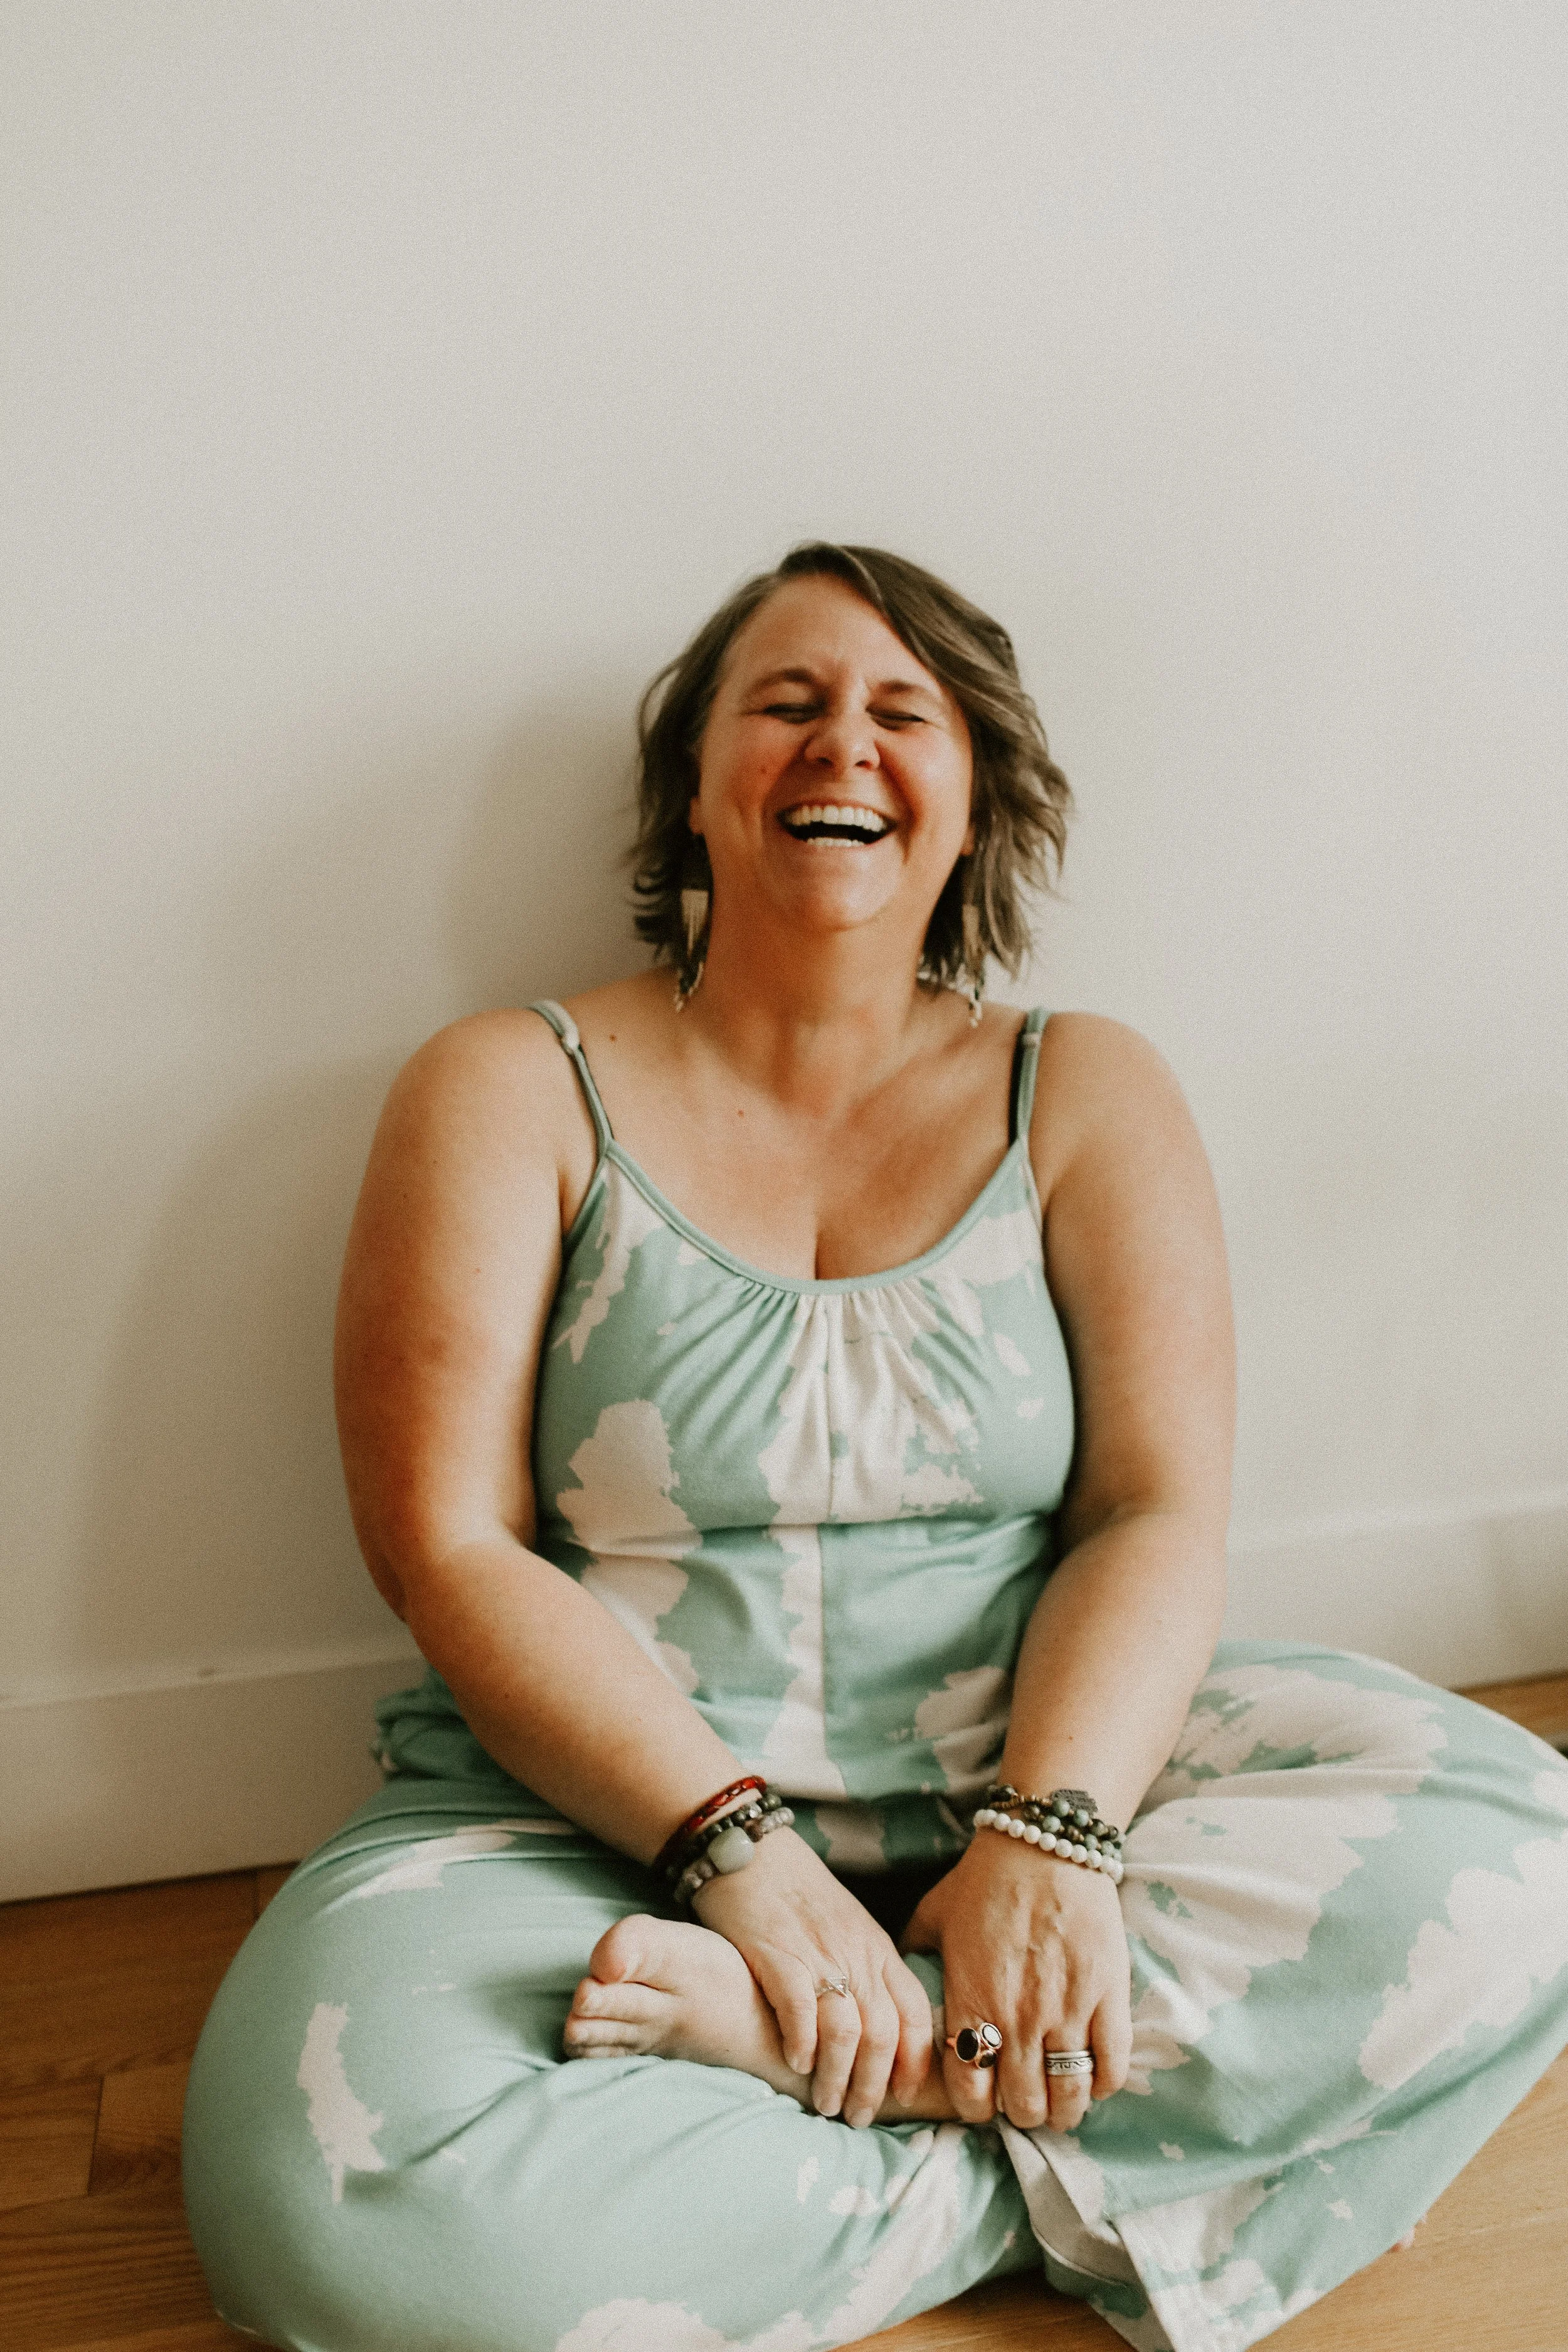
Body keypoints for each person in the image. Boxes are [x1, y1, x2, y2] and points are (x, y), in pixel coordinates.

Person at [184, 544, 1568, 2352]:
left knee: (1524, 1855)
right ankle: (1069, 2126)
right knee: (323, 2209)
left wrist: (1053, 1842)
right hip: (593, 1817)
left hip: (1027, 1765)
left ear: (973, 803)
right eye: (787, 704)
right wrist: (738, 1856)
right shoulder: (508, 1083)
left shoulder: (1086, 1087)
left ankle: (850, 2071)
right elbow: (448, 1545)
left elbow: (1151, 1513)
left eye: (903, 715)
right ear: (694, 787)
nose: (843, 743)